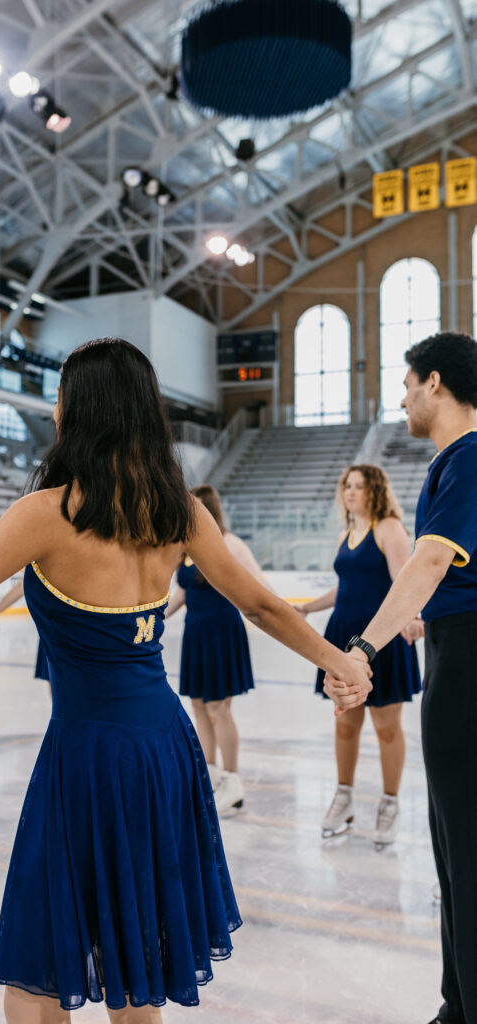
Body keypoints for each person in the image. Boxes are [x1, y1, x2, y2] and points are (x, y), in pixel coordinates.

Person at [0, 339, 371, 1023]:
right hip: (163, 749)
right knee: (137, 961)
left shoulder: (44, 514)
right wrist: (337, 661)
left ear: (78, 408)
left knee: (37, 972)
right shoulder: (179, 510)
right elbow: (262, 605)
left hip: (87, 754)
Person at [324, 332, 477, 1024]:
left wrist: (361, 647)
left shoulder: (469, 456)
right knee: (452, 845)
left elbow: (427, 563)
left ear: (435, 382)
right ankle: (457, 999)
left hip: (468, 660)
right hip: (450, 649)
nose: (401, 398)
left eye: (407, 383)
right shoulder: (456, 460)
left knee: (465, 845)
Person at [296, 465, 422, 846]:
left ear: (375, 490)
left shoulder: (389, 528)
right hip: (342, 640)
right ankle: (344, 797)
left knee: (386, 728)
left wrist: (412, 618)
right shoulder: (346, 534)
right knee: (345, 724)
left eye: (359, 486)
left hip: (381, 642)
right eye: (347, 486)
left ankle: (390, 803)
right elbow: (344, 587)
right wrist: (308, 608)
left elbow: (405, 580)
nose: (351, 492)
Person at [166, 484, 268, 814]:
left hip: (222, 631)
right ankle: (209, 774)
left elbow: (257, 583)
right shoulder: (185, 548)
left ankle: (232, 780)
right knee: (198, 706)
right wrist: (153, 616)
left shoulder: (230, 544)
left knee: (218, 708)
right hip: (196, 632)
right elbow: (182, 592)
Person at [0, 579, 50, 681]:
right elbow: (23, 585)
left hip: (60, 630)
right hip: (52, 632)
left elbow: (22, 585)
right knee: (55, 680)